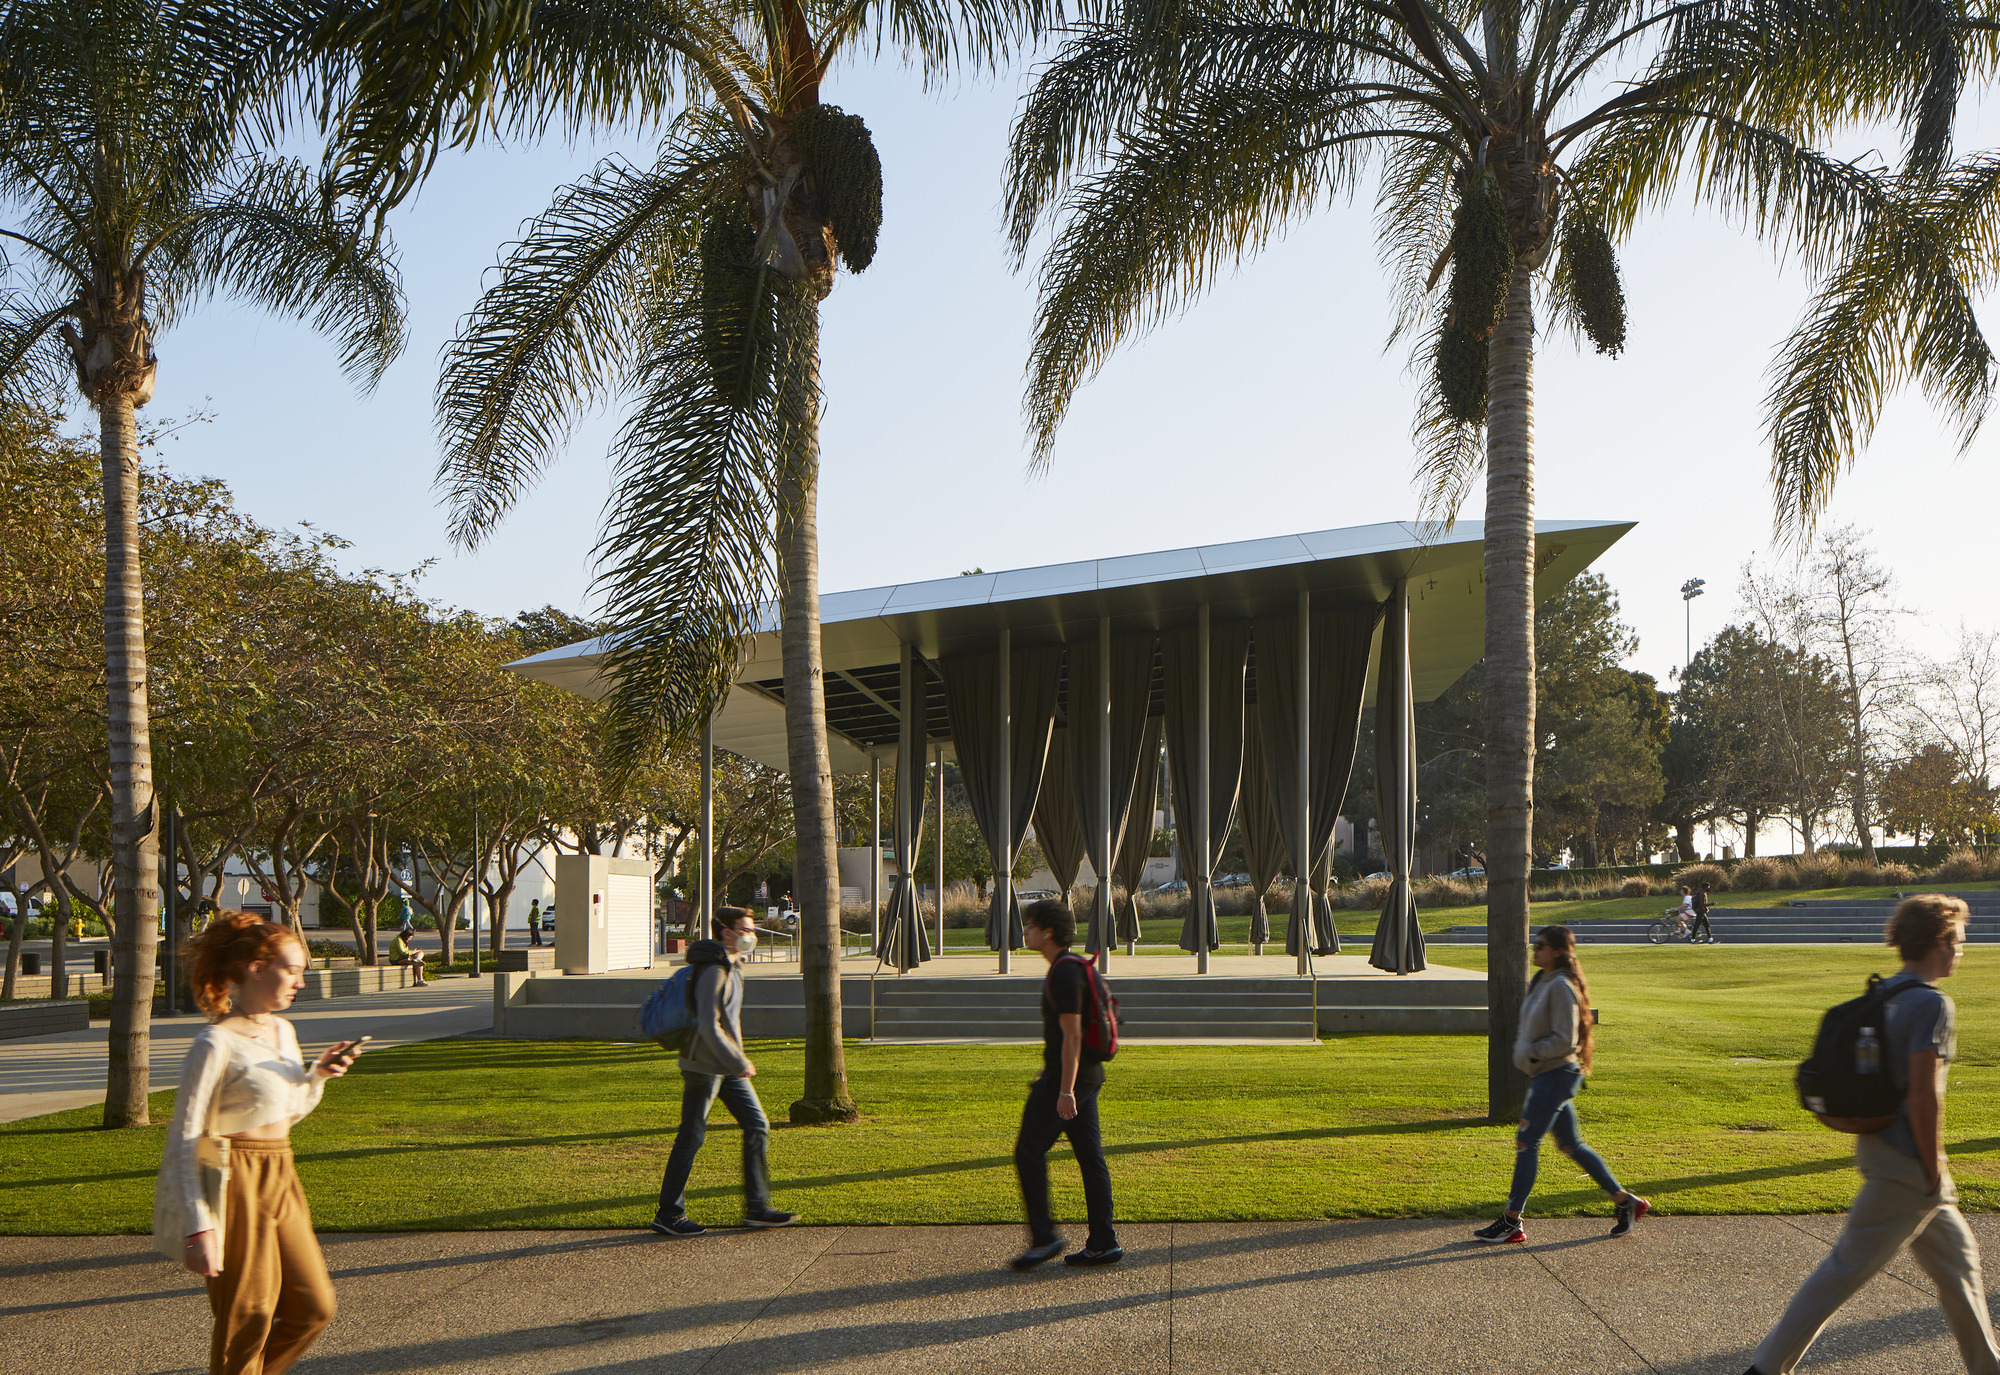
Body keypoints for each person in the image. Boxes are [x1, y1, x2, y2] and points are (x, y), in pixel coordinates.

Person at [1745, 895, 1998, 1375]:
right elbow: (1924, 1095)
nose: (1961, 951)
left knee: (1961, 1268)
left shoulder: (1889, 997)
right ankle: (1765, 1367)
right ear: (1939, 942)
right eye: (1958, 942)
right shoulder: (1931, 1004)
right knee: (1842, 1273)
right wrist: (1933, 1164)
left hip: (1884, 1152)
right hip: (1907, 1167)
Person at [157, 911, 366, 1375]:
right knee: (247, 1317)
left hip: (280, 1169)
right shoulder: (214, 1043)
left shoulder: (282, 1031)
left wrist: (317, 1075)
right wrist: (198, 1227)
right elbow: (184, 1138)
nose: (299, 982)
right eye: (291, 970)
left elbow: (286, 1113)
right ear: (255, 967)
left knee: (314, 1306)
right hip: (232, 1178)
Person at [1474, 924, 1648, 1244]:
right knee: (1571, 1145)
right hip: (1547, 1074)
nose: (1534, 949)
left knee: (1527, 1141)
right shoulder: (1542, 981)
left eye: (1540, 945)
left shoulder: (1561, 987)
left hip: (1555, 1074)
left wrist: (1531, 1053)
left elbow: (1564, 1040)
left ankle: (1512, 1220)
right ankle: (1625, 1202)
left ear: (1557, 951)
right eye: (1534, 945)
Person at [650, 906, 796, 1236]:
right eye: (746, 929)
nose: (752, 935)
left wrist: (734, 1059)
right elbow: (707, 1023)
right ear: (727, 933)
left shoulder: (733, 965)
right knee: (692, 1135)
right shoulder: (714, 969)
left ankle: (757, 1208)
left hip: (725, 1064)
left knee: (757, 1123)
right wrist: (739, 1060)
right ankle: (669, 1214)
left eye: (752, 929)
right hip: (704, 1064)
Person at [1010, 898, 1123, 1270]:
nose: (1025, 931)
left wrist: (1064, 1090)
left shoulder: (1063, 971)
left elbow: (1073, 1036)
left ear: (1048, 931)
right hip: (1082, 1075)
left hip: (1071, 1079)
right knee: (1091, 1159)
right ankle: (1103, 1243)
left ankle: (1043, 1238)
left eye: (1030, 926)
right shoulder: (1068, 967)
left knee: (1028, 1152)